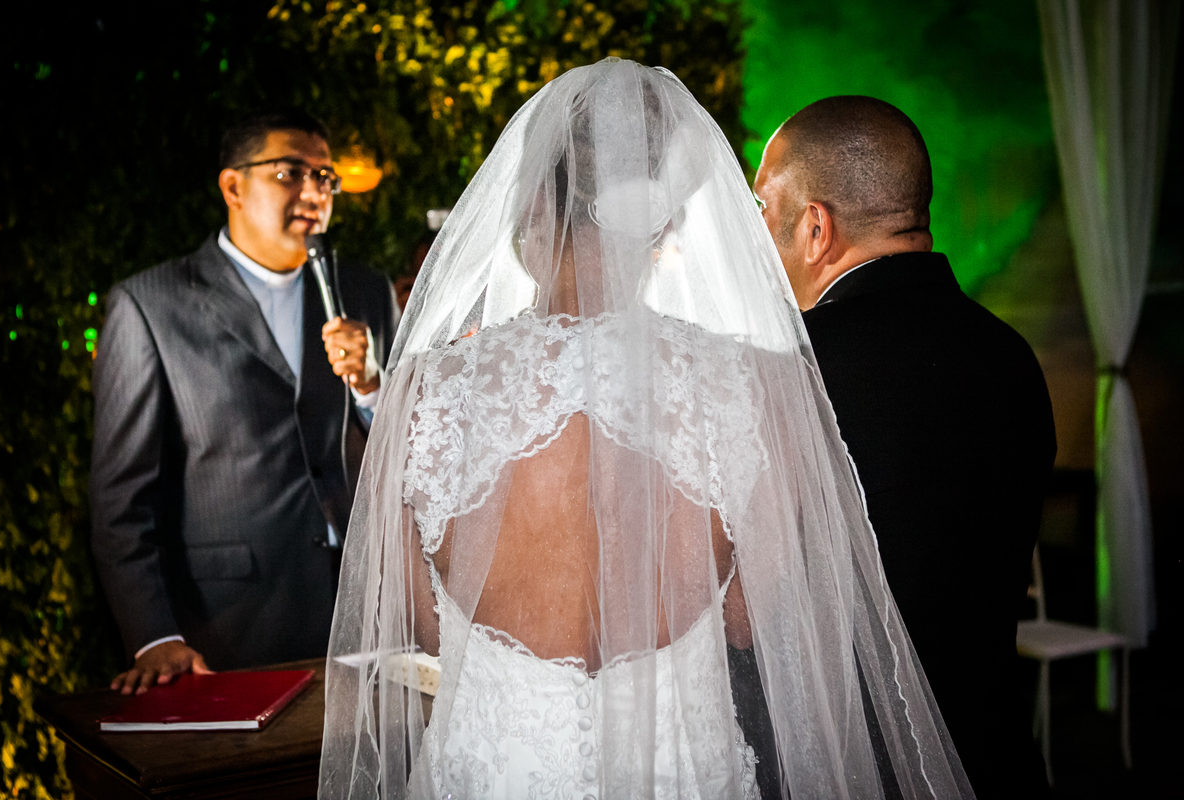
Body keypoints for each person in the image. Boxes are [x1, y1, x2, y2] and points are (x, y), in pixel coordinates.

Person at [320, 60, 974, 800]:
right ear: (661, 221)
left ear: (527, 203)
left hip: (490, 770)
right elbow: (746, 622)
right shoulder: (760, 386)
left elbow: (419, 622)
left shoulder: (420, 393)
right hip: (685, 775)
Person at [753, 96, 1057, 798]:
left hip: (856, 767)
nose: (759, 237)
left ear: (815, 226)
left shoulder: (795, 372)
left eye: (764, 211)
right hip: (996, 758)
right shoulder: (1010, 355)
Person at [91, 110, 398, 693]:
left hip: (367, 614)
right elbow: (120, 500)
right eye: (290, 173)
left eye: (325, 177)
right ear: (233, 186)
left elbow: (416, 451)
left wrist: (371, 387)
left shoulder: (365, 290)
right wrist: (155, 637)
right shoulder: (151, 306)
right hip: (227, 626)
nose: (314, 192)